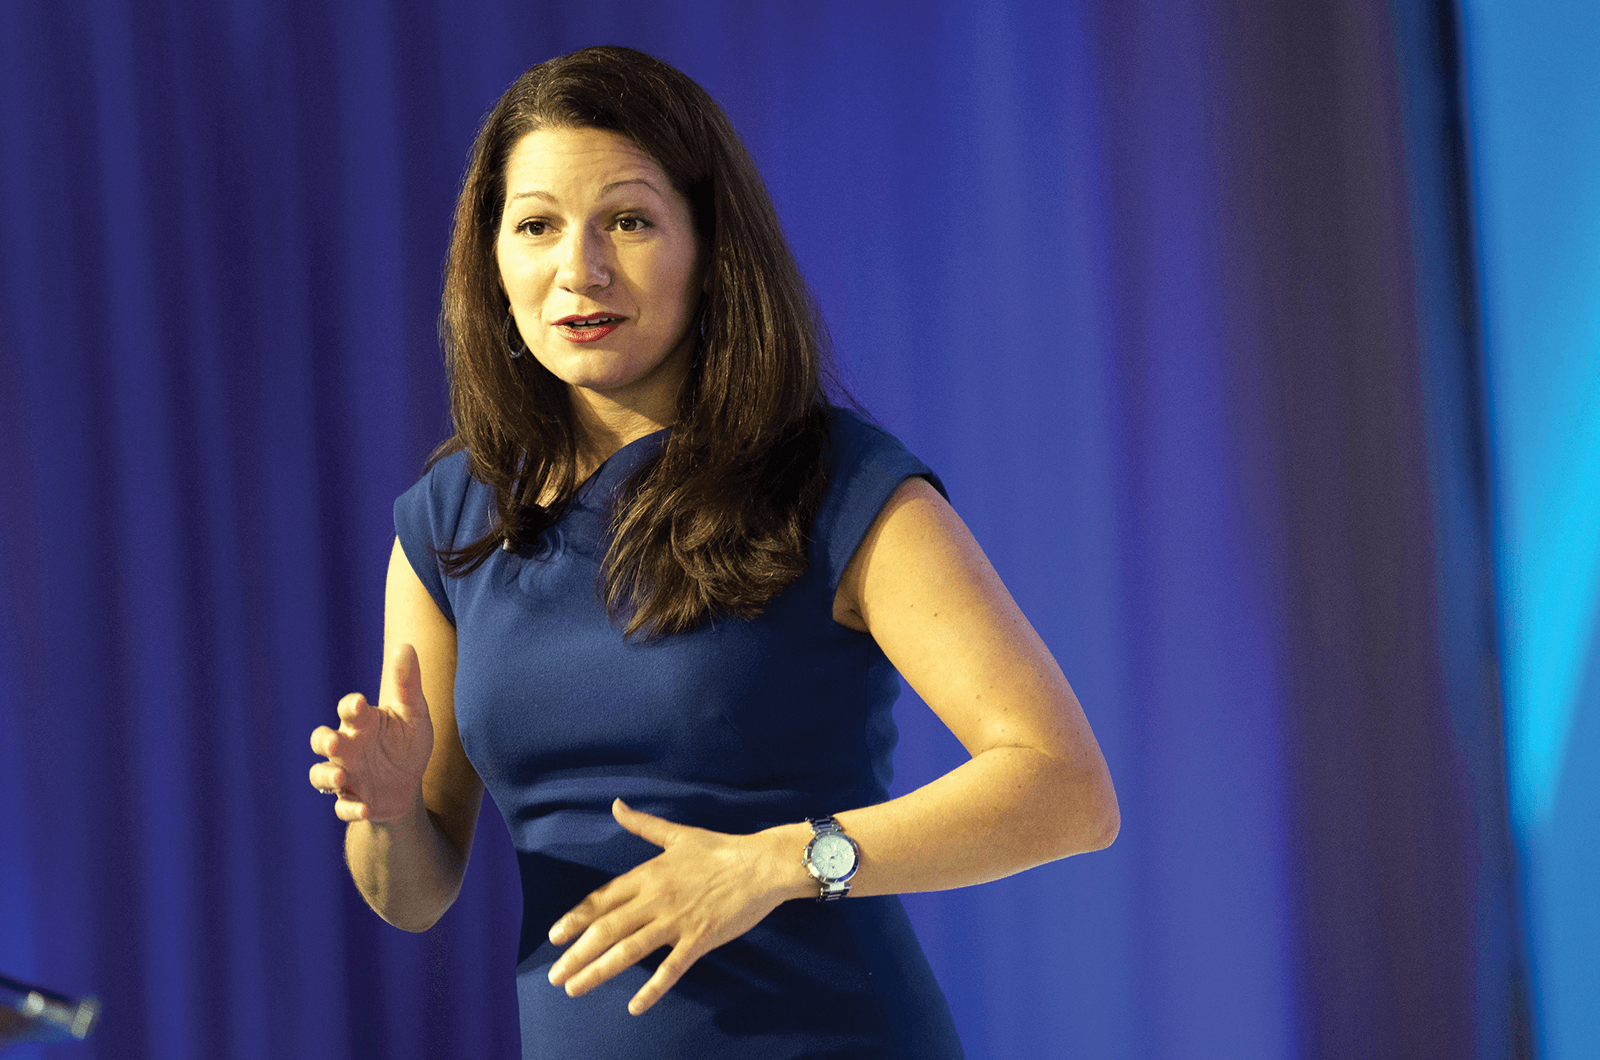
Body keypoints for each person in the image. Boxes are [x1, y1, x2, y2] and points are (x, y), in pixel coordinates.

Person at [308, 45, 1117, 1059]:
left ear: (708, 246)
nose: (580, 269)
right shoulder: (451, 519)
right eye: (538, 226)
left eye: (630, 222)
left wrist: (779, 861)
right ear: (491, 260)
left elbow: (1065, 789)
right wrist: (383, 812)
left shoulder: (833, 483)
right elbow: (413, 895)